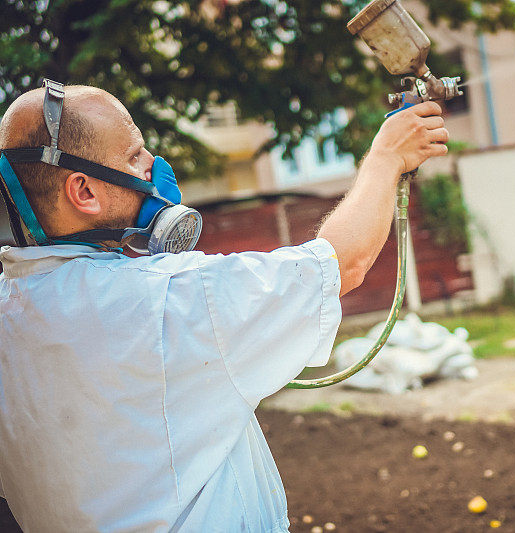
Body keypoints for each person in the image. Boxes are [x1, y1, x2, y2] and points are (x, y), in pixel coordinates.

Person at [0, 82, 448, 531]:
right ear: (85, 193)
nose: (154, 167)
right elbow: (342, 264)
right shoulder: (167, 301)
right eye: (135, 155)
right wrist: (387, 157)